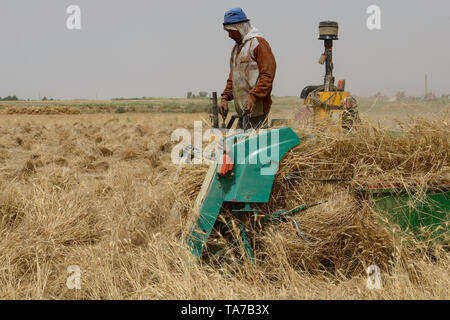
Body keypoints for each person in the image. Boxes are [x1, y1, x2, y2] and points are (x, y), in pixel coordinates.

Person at [219, 8, 276, 130]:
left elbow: (267, 76)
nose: (229, 35)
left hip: (257, 112)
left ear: (241, 28)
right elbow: (233, 78)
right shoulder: (236, 50)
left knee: (256, 147)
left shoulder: (258, 44)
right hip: (242, 113)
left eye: (231, 31)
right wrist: (225, 97)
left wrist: (253, 97)